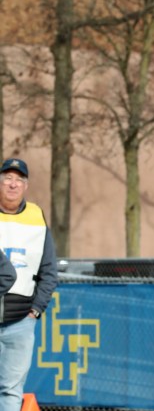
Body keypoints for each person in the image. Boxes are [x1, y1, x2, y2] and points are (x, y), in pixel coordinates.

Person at [0, 158, 58, 411]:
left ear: (26, 186)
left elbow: (49, 270)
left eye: (18, 180)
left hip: (20, 320)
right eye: (7, 179)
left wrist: (35, 311)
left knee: (11, 391)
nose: (12, 185)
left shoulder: (36, 217)